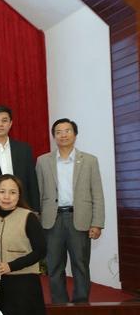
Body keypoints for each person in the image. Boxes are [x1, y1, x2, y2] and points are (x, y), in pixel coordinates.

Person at [36, 118, 105, 303]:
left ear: (75, 134)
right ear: (54, 136)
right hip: (52, 220)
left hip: (79, 219)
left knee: (80, 265)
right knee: (54, 266)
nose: (63, 135)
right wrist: (37, 222)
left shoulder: (89, 161)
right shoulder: (43, 161)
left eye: (67, 131)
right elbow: (39, 193)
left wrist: (97, 223)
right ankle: (60, 305)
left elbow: (97, 194)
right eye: (58, 132)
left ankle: (81, 304)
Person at [0, 175, 48, 315]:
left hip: (24, 285)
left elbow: (41, 250)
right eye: (2, 191)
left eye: (12, 192)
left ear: (19, 195)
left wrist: (11, 265)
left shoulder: (28, 217)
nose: (6, 197)